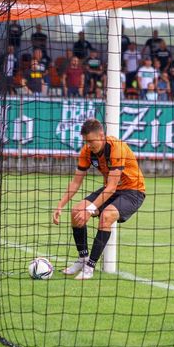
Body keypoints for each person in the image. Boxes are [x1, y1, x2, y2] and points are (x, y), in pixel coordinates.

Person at [52, 119, 145, 280]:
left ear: (101, 135)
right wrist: (60, 206)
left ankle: (90, 267)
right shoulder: (87, 151)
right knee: (76, 211)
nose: (88, 145)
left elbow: (112, 187)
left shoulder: (116, 148)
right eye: (86, 142)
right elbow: (76, 182)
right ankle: (83, 259)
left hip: (133, 191)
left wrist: (90, 210)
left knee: (106, 215)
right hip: (111, 189)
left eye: (90, 141)